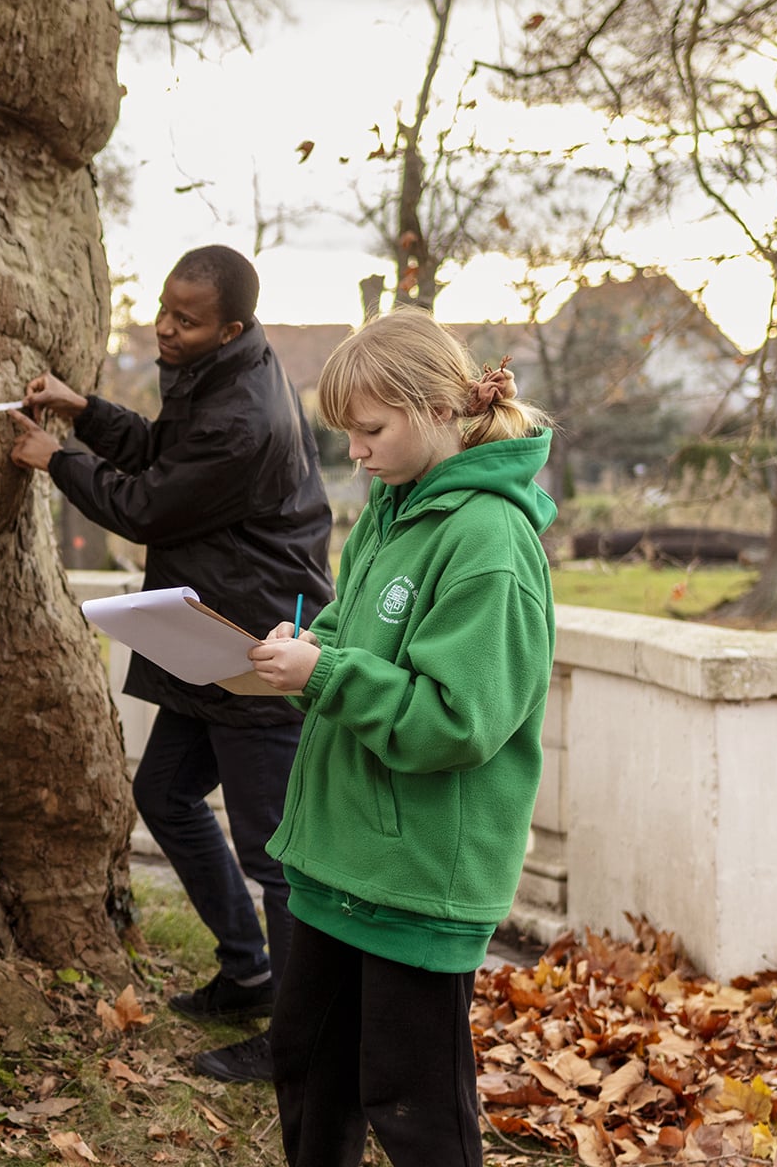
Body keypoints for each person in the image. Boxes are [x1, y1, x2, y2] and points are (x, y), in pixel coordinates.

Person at [10, 244, 332, 1084]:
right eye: (162, 307)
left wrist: (58, 461)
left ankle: (297, 1044)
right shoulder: (222, 370)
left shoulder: (244, 416)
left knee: (276, 857)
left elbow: (150, 503)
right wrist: (83, 412)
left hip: (258, 648)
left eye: (185, 320)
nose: (164, 328)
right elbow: (161, 449)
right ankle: (248, 970)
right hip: (207, 633)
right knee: (164, 793)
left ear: (230, 325)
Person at [247, 311, 555, 1167]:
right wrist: (308, 652)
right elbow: (350, 630)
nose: (357, 451)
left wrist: (326, 675)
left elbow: (458, 721)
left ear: (433, 410)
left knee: (413, 1105)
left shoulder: (490, 541)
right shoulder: (393, 507)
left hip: (419, 879)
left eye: (371, 430)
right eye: (348, 432)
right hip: (338, 863)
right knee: (308, 1070)